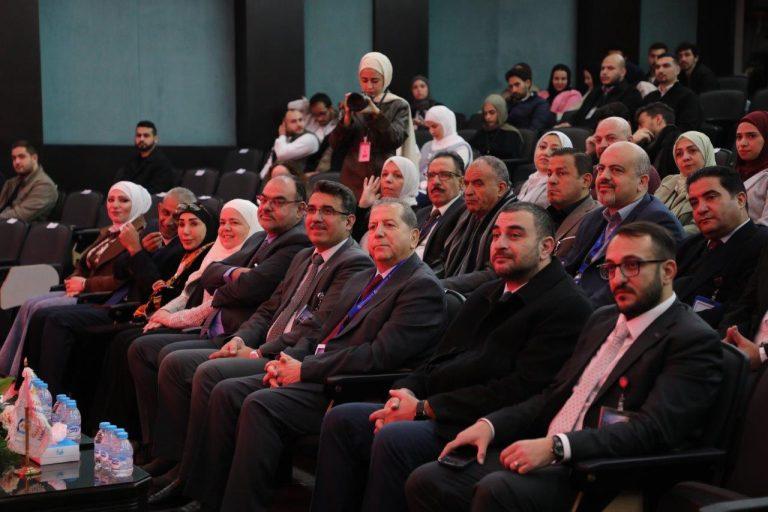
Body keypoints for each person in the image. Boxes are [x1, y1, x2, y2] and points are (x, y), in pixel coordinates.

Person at [406, 222, 723, 512]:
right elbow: (552, 395)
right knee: (429, 480)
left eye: (632, 265)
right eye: (611, 268)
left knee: (498, 490)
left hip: (601, 472)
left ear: (668, 271)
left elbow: (653, 430)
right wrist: (491, 425)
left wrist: (559, 446)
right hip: (551, 452)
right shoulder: (603, 320)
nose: (619, 278)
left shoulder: (690, 339)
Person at [310, 202, 594, 512]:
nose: (500, 244)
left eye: (514, 235)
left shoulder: (567, 307)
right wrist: (405, 393)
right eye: (495, 235)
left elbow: (520, 391)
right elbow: (435, 360)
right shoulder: (487, 293)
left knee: (394, 438)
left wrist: (425, 408)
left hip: (483, 423)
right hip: (437, 408)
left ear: (546, 247)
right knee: (342, 420)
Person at [176, 198, 447, 512]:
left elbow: (377, 356)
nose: (378, 233)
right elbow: (318, 330)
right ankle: (210, 497)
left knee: (259, 404)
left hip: (354, 386)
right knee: (229, 390)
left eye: (389, 225)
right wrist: (286, 361)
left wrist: (305, 369)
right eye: (373, 226)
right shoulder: (365, 277)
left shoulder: (420, 287)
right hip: (321, 371)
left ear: (414, 237)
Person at [142, 181, 374, 497]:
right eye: (313, 209)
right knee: (180, 364)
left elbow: (317, 327)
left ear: (349, 221)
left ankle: (194, 485)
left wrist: (258, 352)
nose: (317, 218)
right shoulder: (305, 255)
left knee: (210, 375)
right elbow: (268, 309)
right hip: (263, 346)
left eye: (328, 211)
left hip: (290, 358)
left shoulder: (354, 263)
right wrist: (240, 339)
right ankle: (182, 469)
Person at [128, 178, 312, 448]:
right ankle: (155, 445)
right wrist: (235, 275)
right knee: (141, 347)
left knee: (171, 359)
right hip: (217, 327)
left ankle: (176, 453)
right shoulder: (259, 237)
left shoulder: (297, 242)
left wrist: (226, 285)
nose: (267, 207)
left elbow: (254, 287)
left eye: (278, 201)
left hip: (238, 333)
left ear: (300, 209)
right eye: (264, 200)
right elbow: (210, 274)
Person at [89, 200, 253, 454]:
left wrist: (165, 317)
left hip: (214, 331)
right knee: (118, 340)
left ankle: (149, 443)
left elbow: (208, 306)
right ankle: (114, 432)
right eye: (223, 222)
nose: (184, 230)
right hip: (181, 319)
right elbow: (184, 294)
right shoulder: (212, 251)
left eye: (234, 223)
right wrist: (163, 313)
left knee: (135, 344)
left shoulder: (243, 258)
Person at [23, 199, 216, 396]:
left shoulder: (184, 249)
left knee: (73, 327)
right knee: (42, 314)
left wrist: (137, 252)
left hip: (135, 308)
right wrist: (139, 249)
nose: (170, 223)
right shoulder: (152, 235)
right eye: (176, 219)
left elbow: (157, 291)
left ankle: (53, 397)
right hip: (124, 303)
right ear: (158, 210)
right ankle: (31, 391)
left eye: (185, 221)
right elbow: (119, 271)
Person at [6, 182, 152, 387]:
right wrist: (75, 280)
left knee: (39, 308)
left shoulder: (138, 235)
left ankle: (23, 378)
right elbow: (82, 263)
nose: (115, 205)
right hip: (80, 290)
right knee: (29, 303)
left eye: (123, 200)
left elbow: (123, 280)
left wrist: (85, 285)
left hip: (99, 297)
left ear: (136, 204)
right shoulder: (109, 231)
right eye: (111, 200)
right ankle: (11, 372)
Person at [564, 141, 684, 306]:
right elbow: (569, 269)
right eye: (601, 169)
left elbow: (634, 288)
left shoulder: (658, 222)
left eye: (616, 170)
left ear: (642, 182)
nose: (603, 176)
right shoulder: (593, 217)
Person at [675, 166, 768, 328]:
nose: (700, 209)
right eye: (694, 203)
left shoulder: (761, 247)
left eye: (711, 197)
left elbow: (742, 314)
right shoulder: (690, 245)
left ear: (740, 200)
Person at [329, 52, 419, 199]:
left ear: (386, 78)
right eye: (364, 80)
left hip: (383, 176)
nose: (369, 86)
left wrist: (376, 114)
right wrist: (346, 120)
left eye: (374, 81)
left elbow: (395, 139)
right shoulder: (355, 102)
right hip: (352, 177)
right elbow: (335, 144)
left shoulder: (398, 105)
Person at [441, 156, 517, 294]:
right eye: (466, 183)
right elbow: (442, 258)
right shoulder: (466, 212)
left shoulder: (514, 217)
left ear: (500, 189)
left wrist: (441, 285)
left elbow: (494, 273)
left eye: (478, 184)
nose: (468, 192)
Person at [655, 131, 717, 233]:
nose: (685, 157)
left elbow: (696, 230)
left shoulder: (716, 188)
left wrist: (652, 237)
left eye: (692, 150)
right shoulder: (669, 180)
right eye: (679, 154)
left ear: (706, 152)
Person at [417, 152, 466, 274]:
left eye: (444, 175)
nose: (435, 182)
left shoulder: (465, 213)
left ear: (461, 182)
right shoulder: (420, 214)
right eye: (431, 175)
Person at [564, 54, 643, 130]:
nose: (604, 72)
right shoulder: (597, 91)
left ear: (623, 72)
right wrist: (569, 123)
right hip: (581, 129)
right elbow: (579, 114)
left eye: (610, 68)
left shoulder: (631, 94)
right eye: (602, 68)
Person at [353, 156, 420, 244]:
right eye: (384, 174)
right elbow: (351, 240)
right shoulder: (375, 209)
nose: (388, 179)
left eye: (397, 176)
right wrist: (363, 207)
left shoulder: (418, 215)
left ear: (410, 181)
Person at [546, 148, 599, 258]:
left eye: (561, 173)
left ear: (585, 181)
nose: (551, 180)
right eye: (549, 174)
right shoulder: (542, 215)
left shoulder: (597, 218)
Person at [588, 116, 662, 193]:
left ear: (629, 141)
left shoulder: (645, 172)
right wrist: (588, 153)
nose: (602, 145)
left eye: (611, 138)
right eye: (598, 140)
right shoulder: (592, 172)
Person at [641, 54, 703, 131]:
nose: (660, 70)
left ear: (678, 70)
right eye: (657, 67)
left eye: (666, 66)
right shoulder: (649, 97)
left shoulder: (688, 97)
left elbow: (687, 128)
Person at [418, 105, 473, 191]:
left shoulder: (461, 147)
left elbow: (450, 176)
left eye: (434, 126)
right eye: (429, 127)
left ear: (446, 124)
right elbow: (419, 172)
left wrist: (425, 185)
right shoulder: (427, 146)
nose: (431, 131)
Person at [0, 140, 58, 221]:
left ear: (34, 158)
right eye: (14, 158)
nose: (17, 162)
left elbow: (20, 215)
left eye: (21, 157)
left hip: (23, 227)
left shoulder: (45, 185)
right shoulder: (11, 182)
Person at [114, 121, 175, 194]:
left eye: (146, 135)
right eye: (138, 135)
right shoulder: (132, 160)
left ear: (155, 139)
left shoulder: (162, 163)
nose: (141, 139)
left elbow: (157, 192)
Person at [288, 93, 340, 176]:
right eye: (315, 115)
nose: (319, 119)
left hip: (315, 167)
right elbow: (290, 105)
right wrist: (308, 105)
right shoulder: (310, 119)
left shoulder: (337, 126)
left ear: (330, 108)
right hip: (297, 159)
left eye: (322, 113)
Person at [518, 131, 573, 208]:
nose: (546, 153)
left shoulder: (560, 186)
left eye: (554, 149)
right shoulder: (532, 179)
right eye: (542, 147)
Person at [259, 109, 320, 179]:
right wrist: (261, 178)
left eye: (300, 120)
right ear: (284, 124)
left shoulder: (310, 138)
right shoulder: (287, 138)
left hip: (296, 182)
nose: (299, 124)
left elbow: (281, 155)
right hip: (275, 179)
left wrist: (282, 135)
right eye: (293, 121)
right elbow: (271, 161)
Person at [735, 111, 768, 225]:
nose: (742, 143)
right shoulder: (734, 172)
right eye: (739, 137)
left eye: (751, 136)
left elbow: (765, 226)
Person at [632, 102, 682, 177]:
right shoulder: (652, 146)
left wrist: (632, 143)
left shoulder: (675, 142)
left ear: (658, 119)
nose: (639, 129)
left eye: (641, 123)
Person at [468, 94, 523, 160]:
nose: (487, 117)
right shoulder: (482, 132)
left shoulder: (511, 134)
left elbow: (512, 160)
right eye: (485, 113)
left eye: (492, 112)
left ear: (501, 112)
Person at [503, 65, 555, 132]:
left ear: (528, 83)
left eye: (517, 85)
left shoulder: (540, 104)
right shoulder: (507, 103)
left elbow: (533, 131)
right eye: (511, 86)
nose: (514, 90)